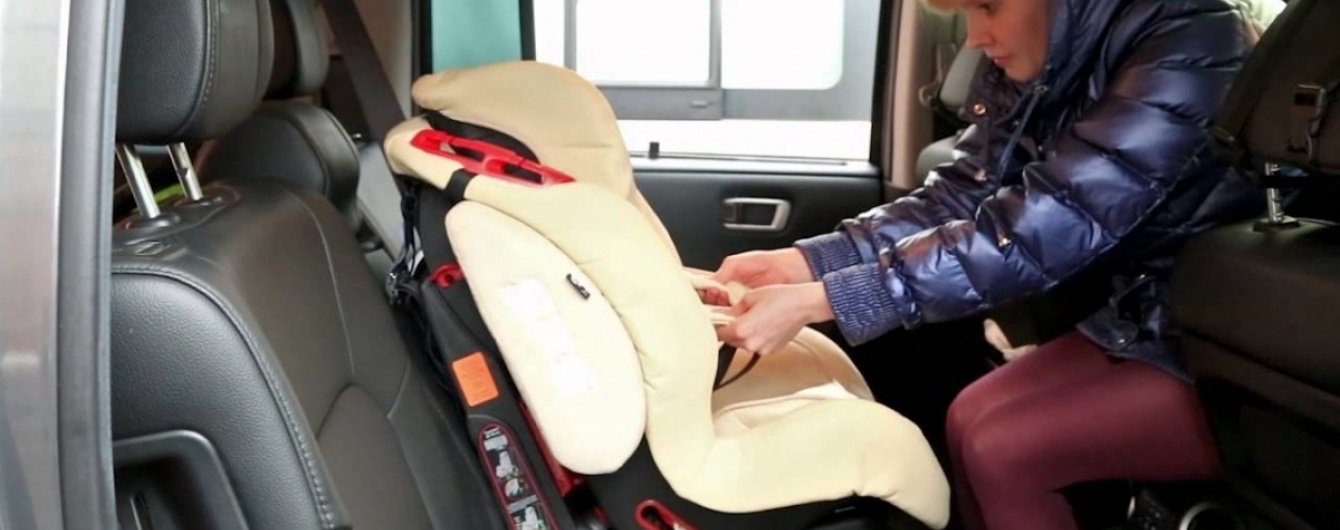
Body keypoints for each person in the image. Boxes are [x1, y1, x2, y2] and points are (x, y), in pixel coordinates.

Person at [709, 0, 1281, 528]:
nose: (976, 37)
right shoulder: (1053, 57)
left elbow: (1052, 220)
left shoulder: (1190, 45)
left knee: (1004, 446)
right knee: (969, 416)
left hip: (1219, 340)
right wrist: (807, 261)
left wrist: (834, 297)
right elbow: (964, 193)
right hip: (1143, 315)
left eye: (988, 6)